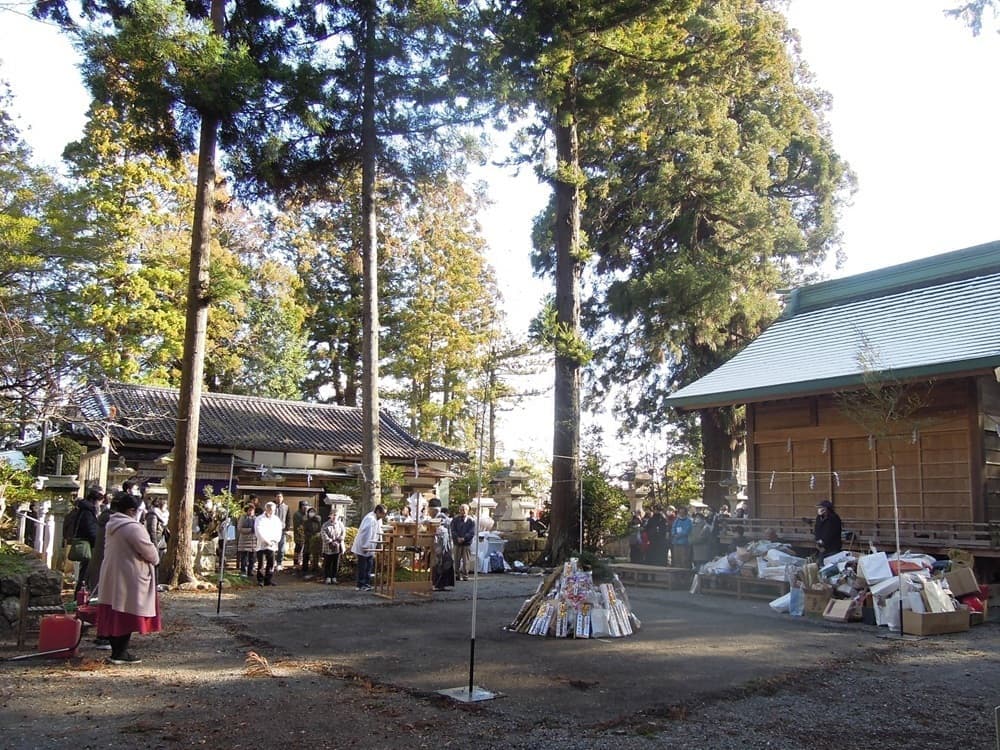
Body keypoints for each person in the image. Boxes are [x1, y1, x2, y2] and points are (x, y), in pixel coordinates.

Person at [95, 491, 162, 665]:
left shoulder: (112, 524)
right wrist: (156, 559)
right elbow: (150, 552)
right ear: (132, 510)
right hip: (130, 575)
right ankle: (120, 652)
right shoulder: (132, 527)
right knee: (127, 613)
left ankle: (117, 651)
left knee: (114, 612)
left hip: (112, 572)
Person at [69, 487, 101, 596]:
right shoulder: (88, 512)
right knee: (85, 574)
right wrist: (98, 541)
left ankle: (80, 595)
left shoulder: (83, 510)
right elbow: (91, 530)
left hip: (87, 542)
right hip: (88, 545)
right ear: (95, 500)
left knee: (84, 572)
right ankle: (80, 596)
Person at [351, 504, 386, 591]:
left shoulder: (377, 519)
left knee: (369, 566)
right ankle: (361, 584)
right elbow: (366, 533)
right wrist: (365, 546)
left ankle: (366, 583)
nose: (383, 516)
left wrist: (379, 543)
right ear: (378, 512)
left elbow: (379, 530)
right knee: (363, 566)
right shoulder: (370, 519)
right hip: (364, 545)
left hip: (371, 545)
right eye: (383, 514)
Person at [426, 498, 454, 591]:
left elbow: (442, 530)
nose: (428, 512)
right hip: (439, 544)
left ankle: (439, 584)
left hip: (443, 544)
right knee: (439, 564)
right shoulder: (435, 518)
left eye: (429, 510)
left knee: (441, 564)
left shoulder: (442, 518)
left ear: (433, 510)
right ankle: (439, 584)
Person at [254, 501, 283, 586]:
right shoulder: (259, 518)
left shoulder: (276, 519)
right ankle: (260, 580)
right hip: (261, 544)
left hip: (272, 544)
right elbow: (258, 531)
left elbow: (279, 531)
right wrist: (266, 541)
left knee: (271, 563)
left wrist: (274, 540)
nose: (271, 511)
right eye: (270, 509)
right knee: (261, 563)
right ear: (266, 509)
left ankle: (268, 579)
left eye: (273, 510)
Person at [449, 504, 476, 581]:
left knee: (466, 560)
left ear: (468, 511)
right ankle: (456, 574)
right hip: (457, 542)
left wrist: (464, 538)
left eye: (465, 510)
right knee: (456, 560)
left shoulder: (471, 521)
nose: (463, 511)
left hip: (466, 543)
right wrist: (457, 537)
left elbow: (471, 532)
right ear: (459, 510)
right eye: (461, 510)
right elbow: (452, 530)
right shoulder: (455, 520)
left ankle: (465, 575)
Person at [320, 509, 346, 584]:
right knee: (327, 562)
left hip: (337, 546)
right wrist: (330, 541)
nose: (334, 517)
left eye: (336, 515)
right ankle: (327, 577)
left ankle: (334, 577)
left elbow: (343, 533)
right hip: (328, 547)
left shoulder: (340, 524)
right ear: (330, 516)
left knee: (336, 563)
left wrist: (339, 540)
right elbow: (323, 534)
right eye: (333, 515)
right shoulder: (325, 524)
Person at [813, 500, 843, 564]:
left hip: (832, 548)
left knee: (831, 566)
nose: (819, 509)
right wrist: (817, 541)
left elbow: (830, 533)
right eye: (818, 508)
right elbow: (817, 530)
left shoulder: (834, 518)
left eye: (821, 508)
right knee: (820, 566)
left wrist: (823, 542)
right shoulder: (819, 518)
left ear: (826, 509)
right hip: (821, 548)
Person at [144, 496, 169, 568]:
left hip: (161, 542)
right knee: (154, 565)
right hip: (156, 542)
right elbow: (152, 531)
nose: (166, 506)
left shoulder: (162, 515)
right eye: (165, 504)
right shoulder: (153, 514)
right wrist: (155, 546)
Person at [236, 504, 258, 577]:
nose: (251, 512)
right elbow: (239, 528)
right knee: (244, 557)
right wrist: (250, 530)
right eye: (250, 510)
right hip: (244, 540)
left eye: (252, 510)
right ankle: (243, 571)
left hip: (253, 540)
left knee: (252, 558)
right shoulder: (243, 518)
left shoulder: (256, 518)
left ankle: (250, 571)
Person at [301, 507, 322, 578]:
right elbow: (305, 530)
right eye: (310, 512)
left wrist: (316, 536)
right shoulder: (306, 521)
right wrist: (310, 535)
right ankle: (304, 568)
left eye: (313, 512)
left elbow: (319, 529)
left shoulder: (318, 520)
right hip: (308, 539)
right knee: (306, 553)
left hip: (316, 540)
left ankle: (315, 567)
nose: (311, 513)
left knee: (315, 554)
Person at [273, 493, 290, 572]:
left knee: (281, 548)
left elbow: (288, 518)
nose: (279, 498)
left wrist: (287, 528)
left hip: (282, 530)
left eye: (280, 497)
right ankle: (271, 562)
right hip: (272, 529)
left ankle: (279, 563)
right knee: (272, 547)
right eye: (277, 497)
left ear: (283, 498)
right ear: (275, 497)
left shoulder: (286, 507)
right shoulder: (272, 506)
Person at [292, 501, 309, 570]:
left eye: (306, 505)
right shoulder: (297, 514)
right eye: (304, 506)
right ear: (300, 506)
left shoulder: (307, 514)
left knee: (304, 549)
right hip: (299, 534)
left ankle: (300, 562)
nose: (305, 507)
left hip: (306, 534)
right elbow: (298, 525)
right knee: (298, 548)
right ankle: (295, 563)